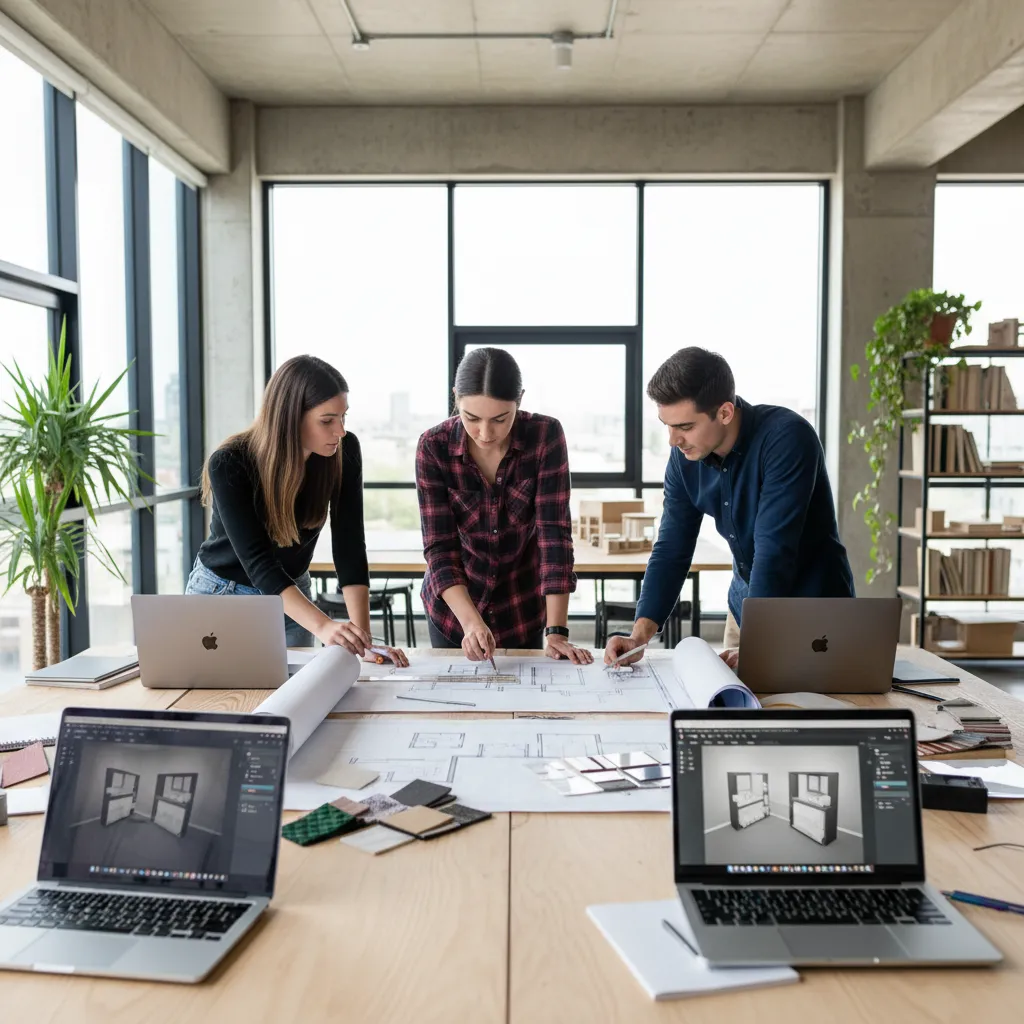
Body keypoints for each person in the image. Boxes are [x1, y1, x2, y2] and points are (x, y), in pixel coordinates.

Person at [605, 346, 854, 669]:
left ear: (724, 412)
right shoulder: (685, 459)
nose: (672, 440)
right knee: (737, 712)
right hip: (747, 611)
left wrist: (758, 644)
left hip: (817, 618)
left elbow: (773, 549)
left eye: (684, 427)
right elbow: (672, 548)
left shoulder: (787, 438)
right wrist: (639, 636)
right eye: (667, 425)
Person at [187, 354, 408, 666]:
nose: (340, 431)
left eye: (343, 417)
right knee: (218, 704)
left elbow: (349, 545)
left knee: (292, 703)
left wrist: (362, 638)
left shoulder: (345, 452)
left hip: (293, 596)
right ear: (291, 417)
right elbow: (258, 563)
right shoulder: (230, 462)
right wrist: (324, 626)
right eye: (327, 421)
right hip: (223, 595)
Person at [415, 347, 591, 665]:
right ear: (456, 397)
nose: (485, 433)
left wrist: (557, 631)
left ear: (519, 400)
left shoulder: (545, 436)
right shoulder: (433, 446)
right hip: (455, 614)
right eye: (472, 418)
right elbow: (439, 547)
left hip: (521, 607)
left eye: (499, 419)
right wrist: (471, 623)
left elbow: (554, 535)